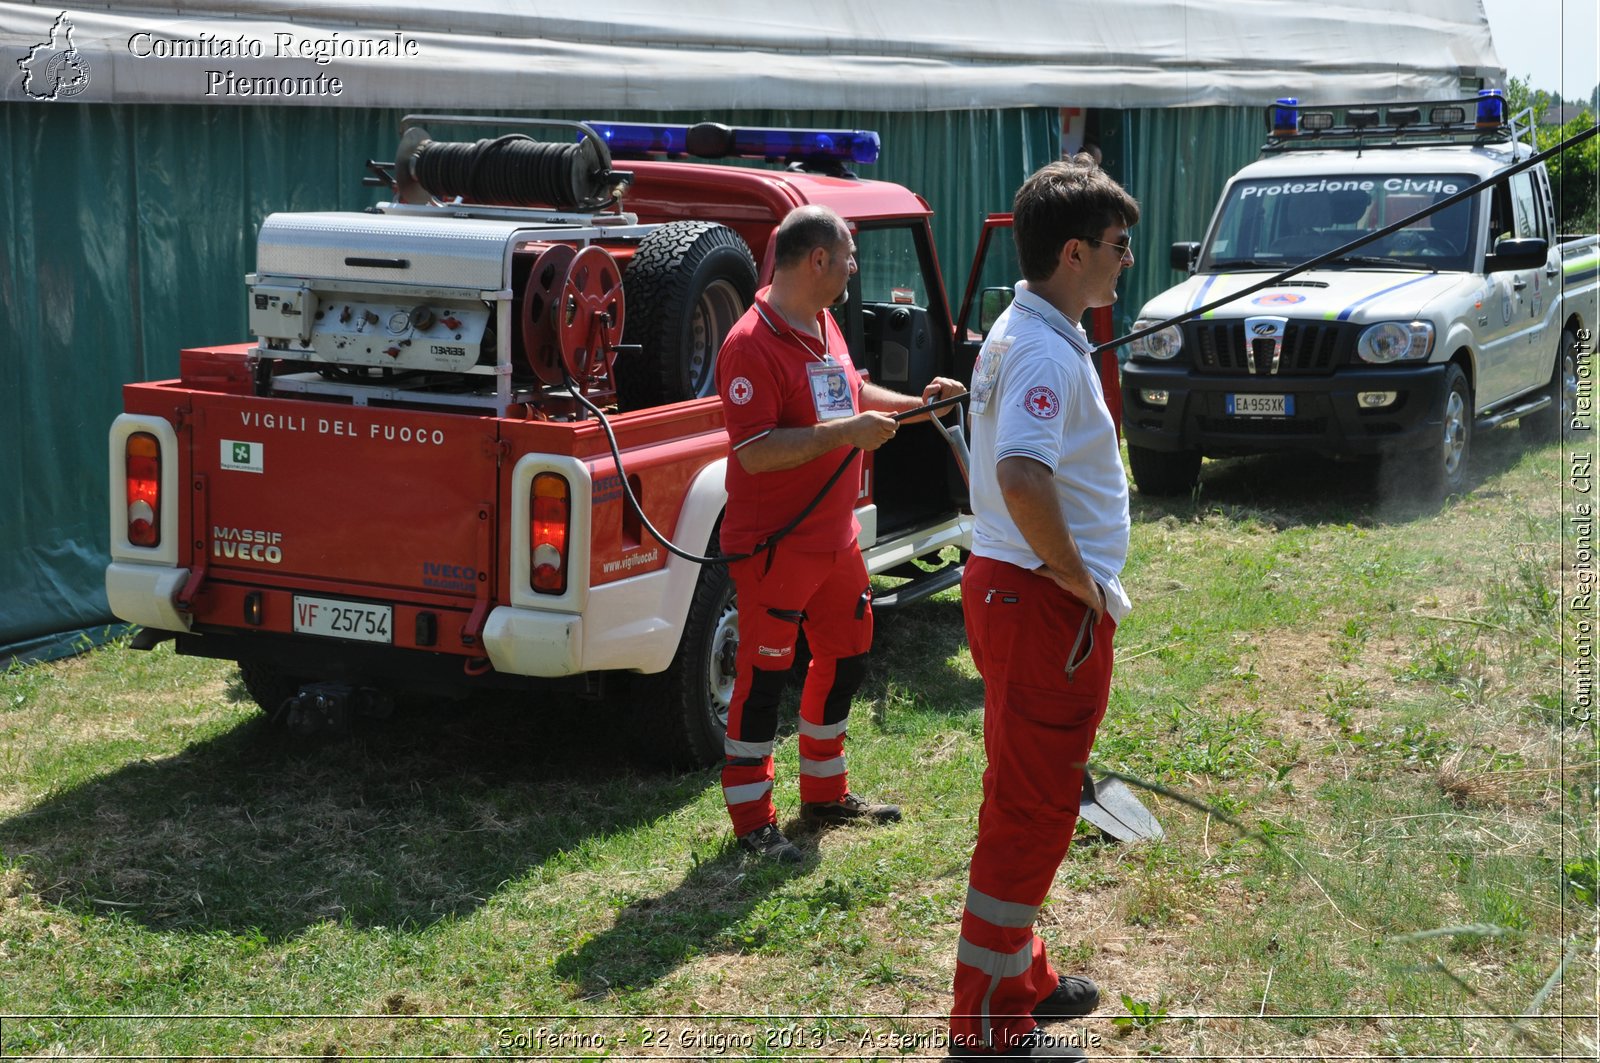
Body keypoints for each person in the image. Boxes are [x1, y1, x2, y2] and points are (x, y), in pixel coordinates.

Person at [947, 157, 1139, 1060]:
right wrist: (1077, 578)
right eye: (1116, 244)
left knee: (1029, 794)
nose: (1126, 259)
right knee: (1029, 808)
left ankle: (1020, 978)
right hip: (1039, 604)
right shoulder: (1040, 347)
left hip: (1015, 593)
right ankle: (988, 1028)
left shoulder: (1026, 329)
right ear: (1072, 251)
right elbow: (1022, 475)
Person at [715, 204, 966, 863]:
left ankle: (825, 793)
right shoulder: (749, 343)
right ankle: (752, 823)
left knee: (847, 655)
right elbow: (755, 452)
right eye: (850, 256)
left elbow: (849, 391)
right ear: (817, 260)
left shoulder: (823, 321)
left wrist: (922, 409)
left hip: (836, 538)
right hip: (776, 543)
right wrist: (847, 434)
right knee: (764, 679)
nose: (857, 267)